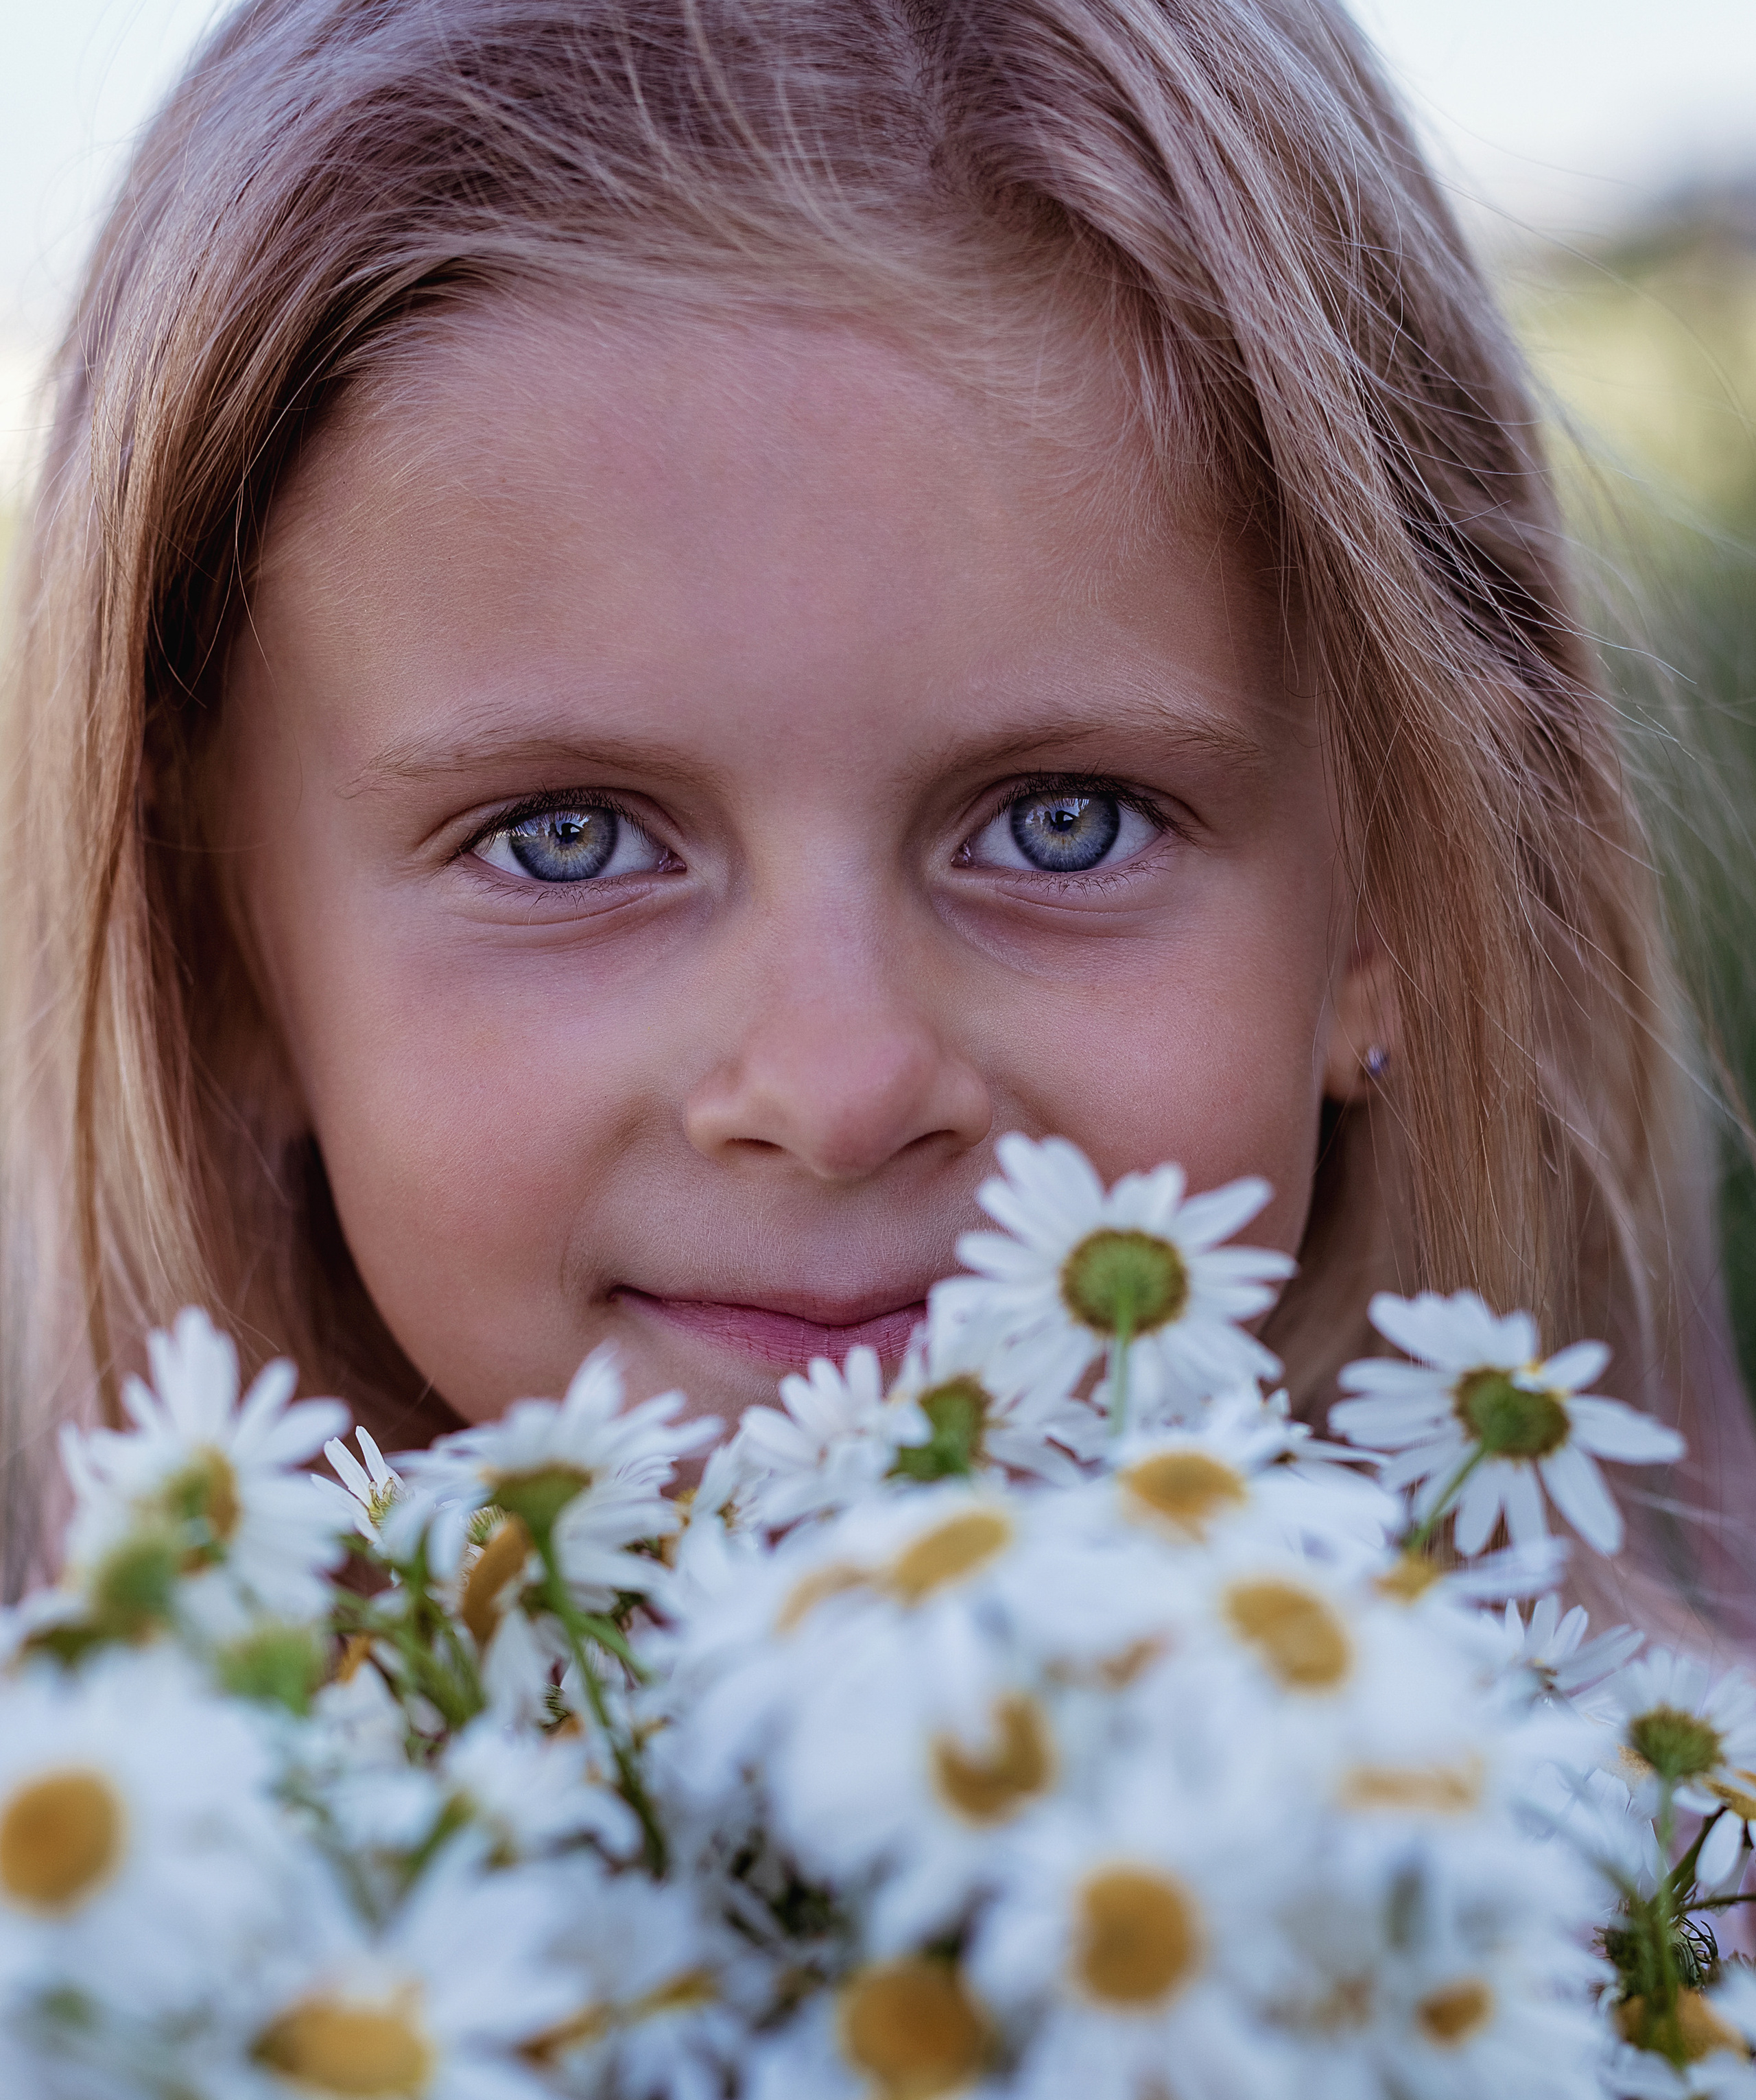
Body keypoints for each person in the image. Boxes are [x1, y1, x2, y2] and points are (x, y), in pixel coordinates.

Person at [1, 0, 1751, 1634]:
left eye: (1063, 823)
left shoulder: (1640, 1850)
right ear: (219, 949)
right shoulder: (116, 1861)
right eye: (565, 840)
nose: (837, 1095)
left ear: (1399, 891)